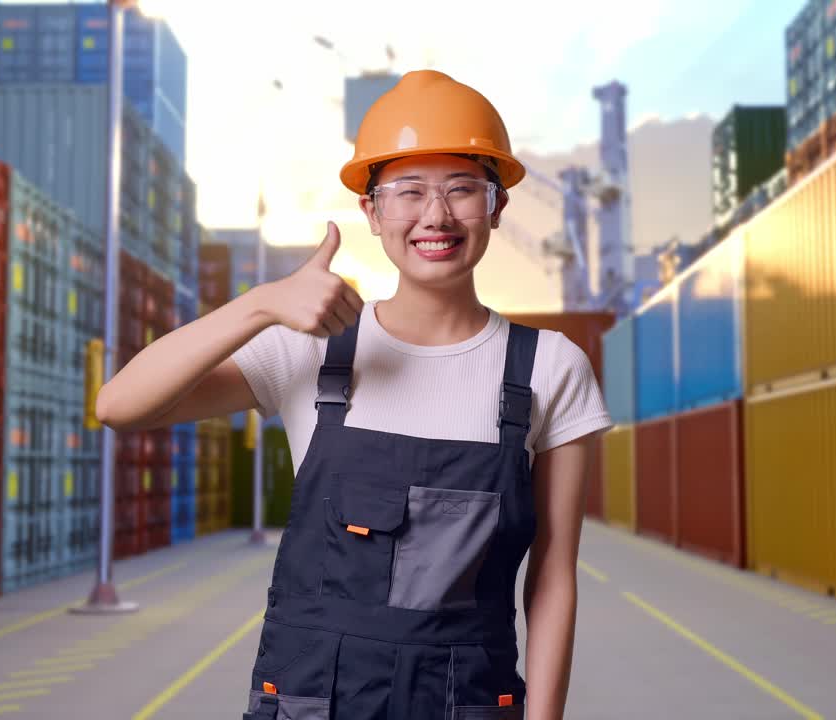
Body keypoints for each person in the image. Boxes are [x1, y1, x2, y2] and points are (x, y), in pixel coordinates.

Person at [96, 69, 613, 720]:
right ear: (371, 212)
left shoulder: (550, 368)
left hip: (471, 703)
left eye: (462, 189)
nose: (436, 215)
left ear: (497, 207)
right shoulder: (310, 350)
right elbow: (118, 406)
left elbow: (553, 576)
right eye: (408, 192)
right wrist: (258, 307)